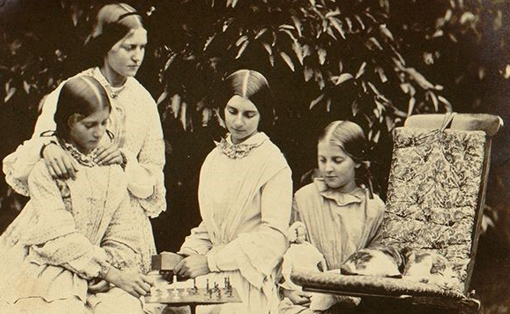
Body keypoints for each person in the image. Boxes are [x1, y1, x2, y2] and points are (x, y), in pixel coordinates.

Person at [2, 2, 166, 273]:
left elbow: (152, 178)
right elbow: (37, 144)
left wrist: (126, 161)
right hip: (67, 218)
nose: (138, 56)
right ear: (106, 45)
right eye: (129, 47)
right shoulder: (73, 89)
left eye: (142, 48)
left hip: (122, 227)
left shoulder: (144, 102)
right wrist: (47, 148)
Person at [0, 76, 153, 314]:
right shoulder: (49, 168)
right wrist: (105, 271)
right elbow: (57, 237)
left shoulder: (111, 170)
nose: (99, 133)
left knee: (125, 308)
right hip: (50, 267)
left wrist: (108, 269)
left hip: (99, 268)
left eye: (104, 123)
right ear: (71, 122)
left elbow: (122, 233)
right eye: (90, 125)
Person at [167, 69, 292, 314]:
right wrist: (186, 254)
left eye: (249, 114)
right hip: (212, 272)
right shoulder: (215, 158)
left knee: (185, 306)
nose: (238, 122)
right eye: (232, 111)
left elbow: (273, 238)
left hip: (247, 278)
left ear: (262, 115)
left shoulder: (273, 163)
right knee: (158, 300)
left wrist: (210, 262)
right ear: (221, 109)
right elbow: (211, 226)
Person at [279, 120, 385, 314]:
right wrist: (288, 291)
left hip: (356, 301)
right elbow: (286, 251)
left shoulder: (374, 208)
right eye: (322, 160)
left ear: (357, 161)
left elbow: (378, 263)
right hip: (307, 298)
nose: (327, 168)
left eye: (337, 160)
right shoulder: (304, 198)